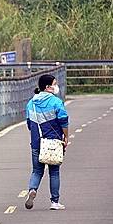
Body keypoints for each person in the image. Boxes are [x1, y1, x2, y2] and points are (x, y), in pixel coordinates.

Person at [25, 74, 69, 210]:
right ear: (48, 87)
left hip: (36, 142)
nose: (56, 86)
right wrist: (66, 137)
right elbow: (64, 121)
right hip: (53, 142)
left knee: (37, 171)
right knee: (54, 172)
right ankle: (54, 202)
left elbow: (29, 124)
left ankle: (32, 189)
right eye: (54, 84)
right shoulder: (56, 102)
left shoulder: (31, 103)